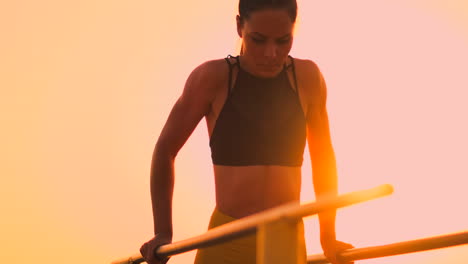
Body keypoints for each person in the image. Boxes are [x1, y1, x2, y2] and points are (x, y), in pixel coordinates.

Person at [140, 0, 354, 263]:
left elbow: (323, 158)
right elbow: (165, 150)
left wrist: (327, 236)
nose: (271, 54)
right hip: (226, 241)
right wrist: (163, 232)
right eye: (259, 40)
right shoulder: (212, 78)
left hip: (286, 242)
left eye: (283, 40)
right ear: (240, 26)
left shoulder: (309, 77)